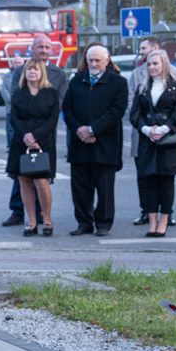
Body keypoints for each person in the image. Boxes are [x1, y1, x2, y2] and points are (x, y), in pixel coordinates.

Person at [64, 44, 128, 237]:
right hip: (79, 143)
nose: (93, 63)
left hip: (105, 143)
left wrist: (92, 130)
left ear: (106, 61)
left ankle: (103, 223)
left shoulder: (118, 83)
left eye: (97, 60)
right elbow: (67, 108)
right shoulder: (76, 81)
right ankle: (84, 223)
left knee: (105, 187)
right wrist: (80, 130)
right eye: (90, 60)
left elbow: (116, 111)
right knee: (80, 187)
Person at [2, 35, 66, 227]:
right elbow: (15, 103)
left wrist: (37, 134)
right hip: (22, 135)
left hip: (44, 135)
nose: (44, 50)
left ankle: (42, 214)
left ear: (51, 50)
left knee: (41, 177)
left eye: (47, 47)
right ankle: (18, 211)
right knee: (21, 176)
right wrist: (27, 136)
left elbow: (60, 103)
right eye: (40, 47)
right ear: (33, 48)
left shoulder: (58, 74)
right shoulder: (20, 70)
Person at [129, 49, 176, 238]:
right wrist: (147, 130)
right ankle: (152, 222)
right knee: (150, 183)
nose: (152, 67)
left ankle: (164, 221)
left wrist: (162, 130)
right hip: (148, 140)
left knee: (166, 182)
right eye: (149, 64)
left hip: (169, 141)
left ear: (164, 65)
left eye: (156, 63)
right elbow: (134, 115)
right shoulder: (142, 87)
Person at [1, 55, 24, 151]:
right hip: (10, 106)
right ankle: (10, 146)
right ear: (12, 64)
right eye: (16, 63)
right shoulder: (7, 76)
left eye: (19, 63)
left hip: (22, 106)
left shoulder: (26, 75)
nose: (17, 65)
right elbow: (4, 90)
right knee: (10, 127)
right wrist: (11, 100)